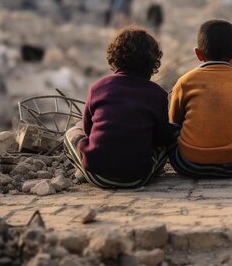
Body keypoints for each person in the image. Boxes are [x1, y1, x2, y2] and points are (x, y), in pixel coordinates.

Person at [63, 27, 174, 189]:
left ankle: (80, 170)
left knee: (71, 132)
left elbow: (88, 130)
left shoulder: (98, 87)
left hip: (96, 173)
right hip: (137, 177)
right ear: (153, 62)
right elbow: (161, 137)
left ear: (114, 58)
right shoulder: (158, 94)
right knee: (166, 143)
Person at [168, 19, 232, 178]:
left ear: (198, 54)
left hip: (186, 165)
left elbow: (175, 121)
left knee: (169, 128)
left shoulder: (184, 81)